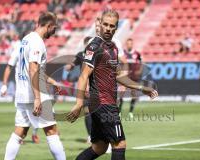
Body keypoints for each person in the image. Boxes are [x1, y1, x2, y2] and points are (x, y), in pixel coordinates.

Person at [67, 9, 158, 160]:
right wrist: (78, 103)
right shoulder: (94, 47)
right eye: (106, 25)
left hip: (101, 105)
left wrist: (142, 88)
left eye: (112, 26)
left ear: (116, 28)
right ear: (100, 25)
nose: (108, 28)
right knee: (119, 144)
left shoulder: (113, 48)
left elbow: (119, 76)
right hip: (104, 104)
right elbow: (83, 76)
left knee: (99, 147)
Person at [4, 12, 66, 160]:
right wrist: (37, 97)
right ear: (49, 26)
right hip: (35, 95)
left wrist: (52, 81)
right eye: (54, 28)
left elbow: (35, 70)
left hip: (22, 94)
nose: (54, 32)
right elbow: (33, 68)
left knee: (19, 132)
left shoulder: (25, 40)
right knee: (52, 131)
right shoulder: (37, 42)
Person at [0, 37, 40, 144]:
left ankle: (31, 134)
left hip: (28, 90)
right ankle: (34, 135)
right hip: (25, 91)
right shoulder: (19, 48)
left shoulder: (32, 48)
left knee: (34, 117)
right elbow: (9, 66)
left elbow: (9, 67)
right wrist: (4, 85)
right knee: (45, 121)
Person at [64, 36, 93, 144]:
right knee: (87, 112)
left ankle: (99, 134)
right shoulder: (81, 55)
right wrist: (69, 66)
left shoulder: (96, 54)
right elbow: (73, 63)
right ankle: (90, 135)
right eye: (87, 44)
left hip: (95, 86)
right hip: (84, 86)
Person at [118, 38, 143, 119]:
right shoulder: (123, 54)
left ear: (132, 44)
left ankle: (130, 112)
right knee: (121, 94)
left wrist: (139, 70)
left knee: (134, 95)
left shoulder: (137, 54)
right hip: (125, 77)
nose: (129, 45)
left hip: (133, 78)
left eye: (130, 44)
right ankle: (119, 112)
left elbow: (141, 62)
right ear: (126, 44)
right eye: (128, 43)